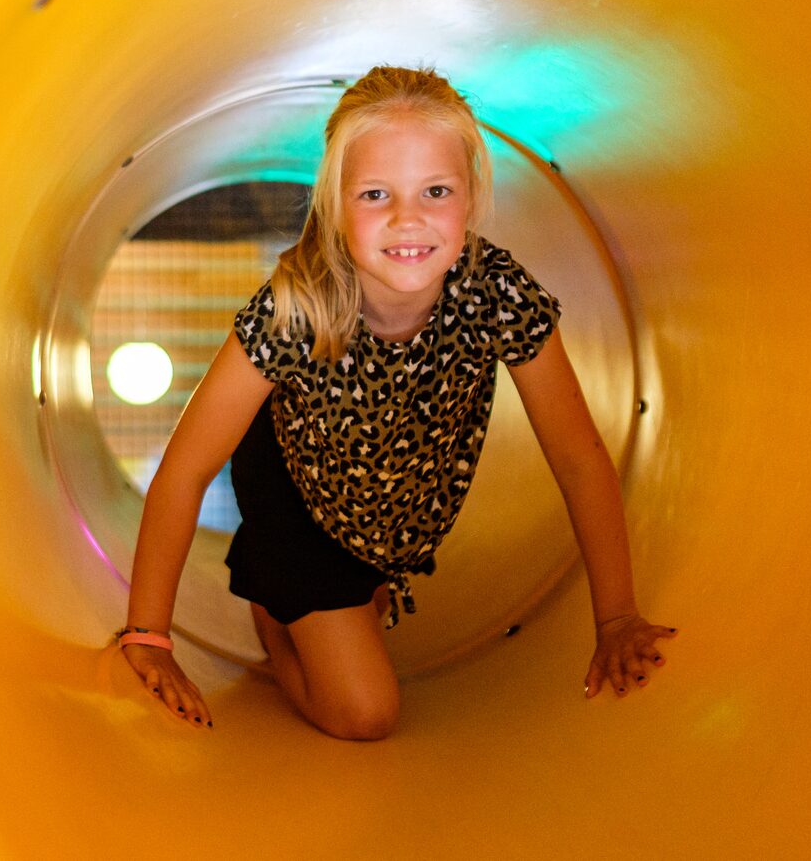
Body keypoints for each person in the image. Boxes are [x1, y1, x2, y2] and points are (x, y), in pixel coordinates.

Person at [117, 66, 675, 740]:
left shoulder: (494, 291)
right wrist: (149, 636)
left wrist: (616, 617)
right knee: (365, 712)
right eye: (376, 193)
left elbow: (579, 456)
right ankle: (274, 613)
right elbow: (185, 466)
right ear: (334, 204)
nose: (407, 218)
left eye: (435, 190)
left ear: (469, 200)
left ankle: (345, 599)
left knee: (361, 624)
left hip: (394, 509)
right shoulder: (300, 304)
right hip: (296, 493)